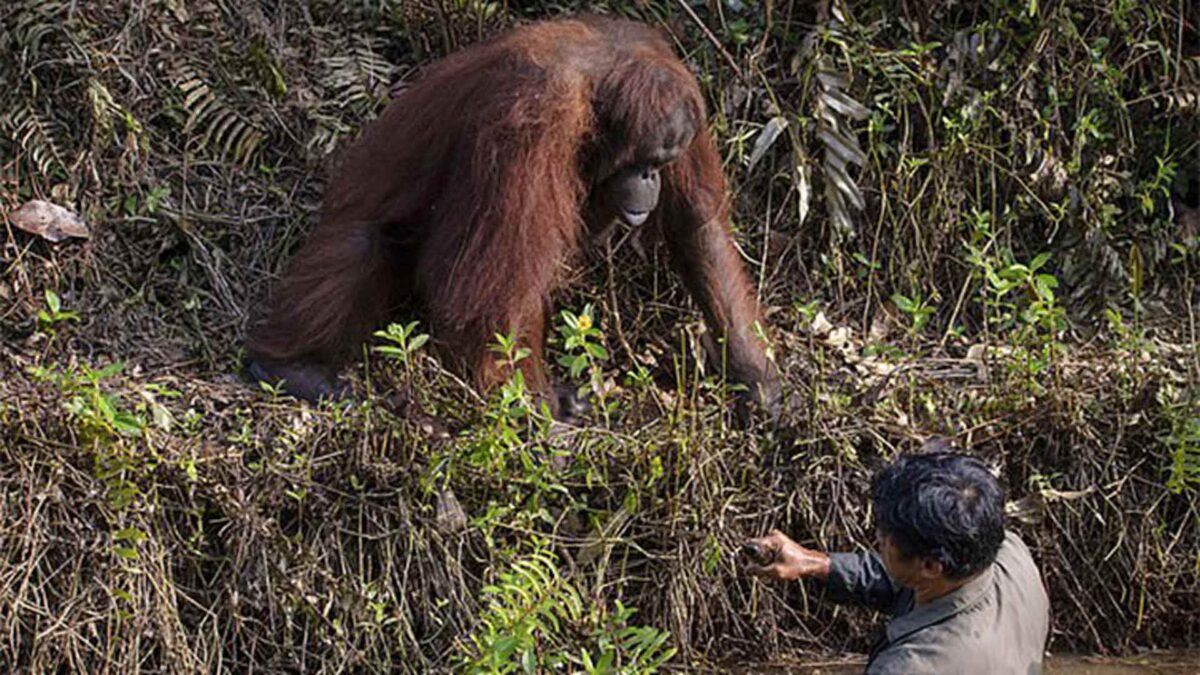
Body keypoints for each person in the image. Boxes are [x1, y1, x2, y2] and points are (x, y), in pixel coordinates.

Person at [746, 450, 1050, 674]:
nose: (878, 536)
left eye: (885, 536)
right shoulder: (1008, 552)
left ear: (932, 566)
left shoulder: (910, 667)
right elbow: (906, 580)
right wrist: (815, 563)